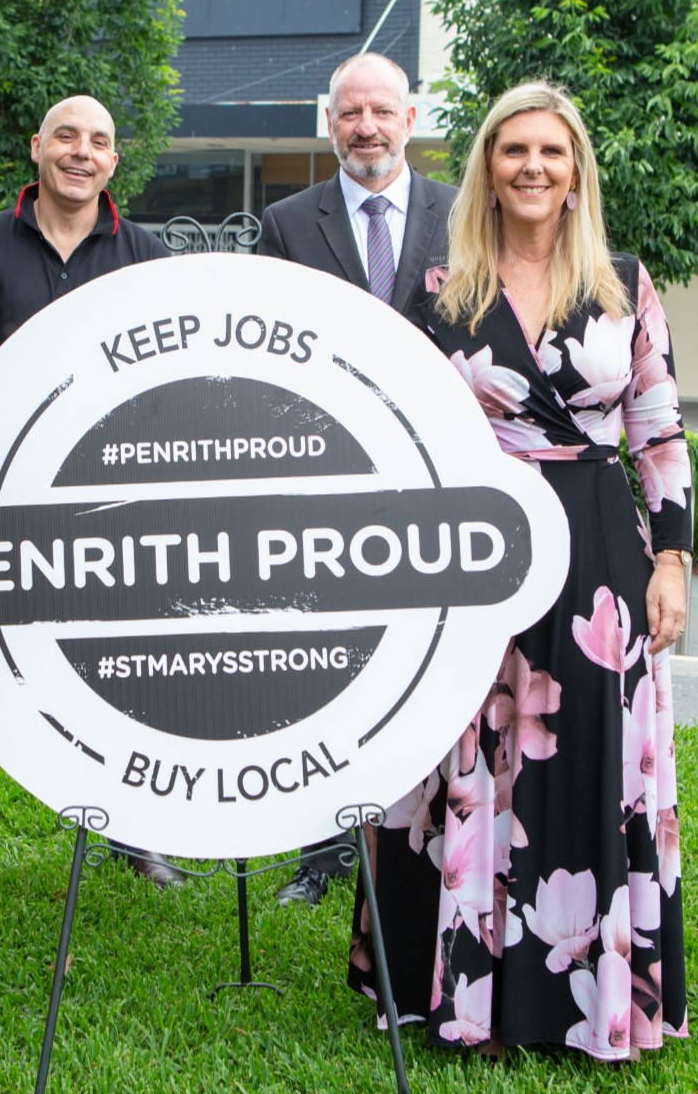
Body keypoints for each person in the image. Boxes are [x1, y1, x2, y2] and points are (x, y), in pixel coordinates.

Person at [348, 81, 690, 1059]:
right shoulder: (433, 284)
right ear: (487, 168)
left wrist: (672, 559)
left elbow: (657, 427)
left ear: (576, 167)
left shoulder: (624, 280)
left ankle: (580, 1001)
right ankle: (455, 993)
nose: (533, 167)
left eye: (551, 151)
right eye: (513, 151)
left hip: (595, 548)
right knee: (462, 752)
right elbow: (394, 426)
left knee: (580, 752)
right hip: (469, 546)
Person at [0, 95, 180, 888]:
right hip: (4, 490)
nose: (80, 152)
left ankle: (134, 833)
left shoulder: (147, 254)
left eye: (98, 140)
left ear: (113, 160)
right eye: (66, 136)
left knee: (126, 666)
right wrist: (44, 446)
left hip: (118, 493)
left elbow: (162, 381)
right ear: (36, 147)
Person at [256, 51, 458, 906]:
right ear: (329, 125)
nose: (365, 127)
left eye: (380, 111)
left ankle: (424, 837)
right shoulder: (286, 223)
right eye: (348, 114)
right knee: (321, 664)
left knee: (426, 655)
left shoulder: (464, 214)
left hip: (433, 470)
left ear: (410, 119)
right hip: (322, 476)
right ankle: (321, 850)